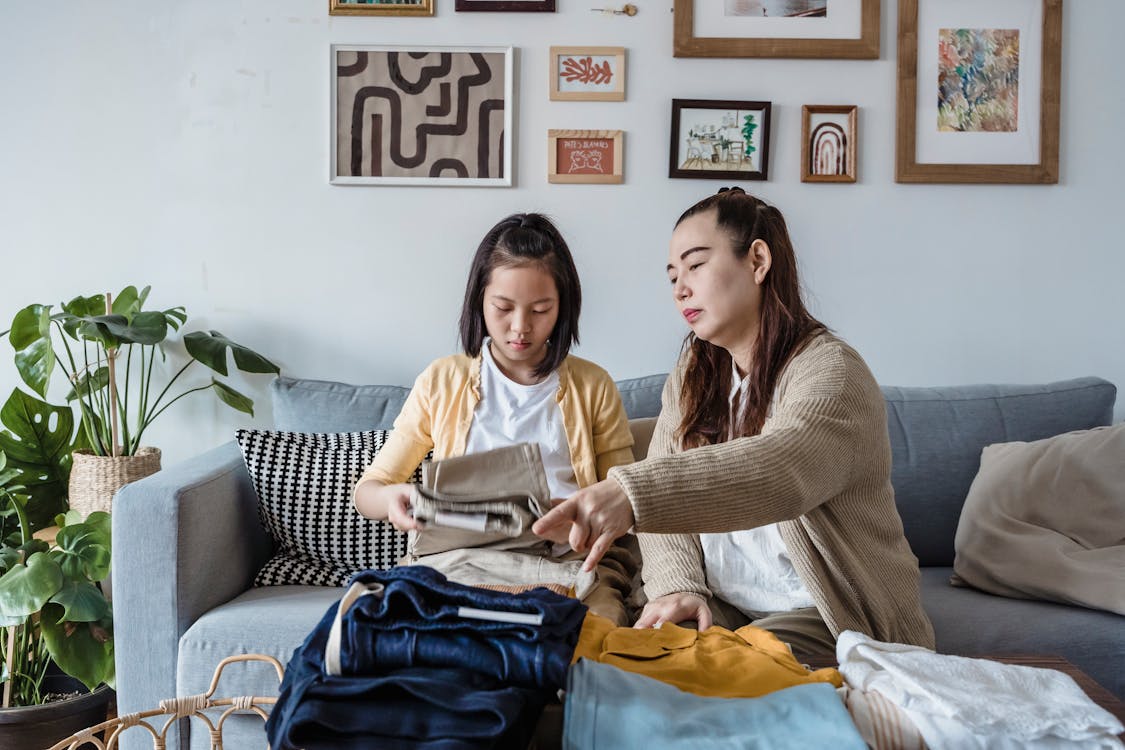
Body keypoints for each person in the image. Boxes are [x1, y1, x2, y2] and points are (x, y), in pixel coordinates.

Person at [533, 188, 934, 654]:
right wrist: (678, 586)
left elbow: (782, 470)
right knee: (612, 655)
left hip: (827, 613)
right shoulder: (692, 376)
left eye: (696, 264)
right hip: (724, 605)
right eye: (672, 276)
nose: (681, 287)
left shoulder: (832, 373)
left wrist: (632, 492)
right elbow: (669, 523)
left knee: (713, 671)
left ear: (758, 261)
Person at [353, 212, 637, 625]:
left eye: (541, 309)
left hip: (565, 566)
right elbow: (368, 490)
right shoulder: (442, 380)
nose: (520, 328)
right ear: (479, 301)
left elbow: (628, 500)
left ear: (563, 307)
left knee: (595, 639)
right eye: (503, 308)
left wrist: (583, 519)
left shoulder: (592, 385)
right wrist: (393, 500)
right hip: (457, 565)